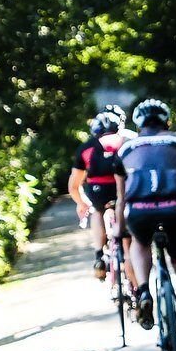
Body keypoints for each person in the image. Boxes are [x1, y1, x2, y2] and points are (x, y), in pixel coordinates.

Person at [111, 98, 176, 351]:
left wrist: (119, 228)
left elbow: (121, 198)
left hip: (140, 213)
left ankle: (143, 291)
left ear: (138, 125)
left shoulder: (126, 148)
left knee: (139, 242)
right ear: (167, 121)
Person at [69, 111, 129, 279]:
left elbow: (73, 186)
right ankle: (129, 252)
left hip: (98, 190)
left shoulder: (86, 147)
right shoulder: (125, 142)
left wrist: (82, 204)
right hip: (123, 187)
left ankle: (99, 256)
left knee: (97, 211)